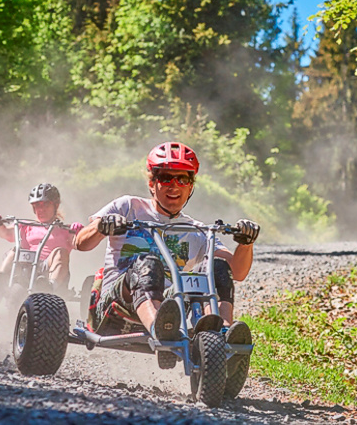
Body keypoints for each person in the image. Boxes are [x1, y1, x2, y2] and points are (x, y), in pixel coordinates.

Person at [73, 141, 260, 348]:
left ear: (190, 187)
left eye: (182, 179)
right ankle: (157, 329)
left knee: (217, 267)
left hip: (170, 308)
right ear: (152, 183)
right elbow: (80, 242)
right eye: (165, 178)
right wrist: (102, 226)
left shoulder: (195, 230)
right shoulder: (127, 207)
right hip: (116, 305)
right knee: (148, 263)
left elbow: (237, 272)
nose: (174, 186)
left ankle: (222, 336)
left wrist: (246, 242)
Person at [0, 183, 83, 294]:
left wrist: (77, 231)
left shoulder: (65, 229)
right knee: (16, 250)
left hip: (48, 269)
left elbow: (77, 242)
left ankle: (50, 286)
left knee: (61, 252)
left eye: (45, 205)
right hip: (24, 265)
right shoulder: (26, 225)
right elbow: (6, 233)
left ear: (55, 206)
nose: (41, 209)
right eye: (37, 206)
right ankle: (1, 280)